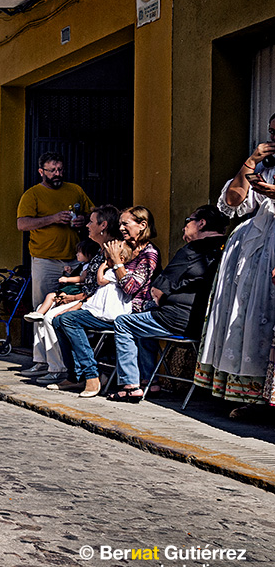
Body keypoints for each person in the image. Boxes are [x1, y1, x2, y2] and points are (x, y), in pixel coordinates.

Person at [194, 114, 275, 417]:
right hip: (252, 249)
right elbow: (232, 202)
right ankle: (248, 396)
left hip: (272, 248)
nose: (273, 139)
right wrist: (251, 162)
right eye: (271, 133)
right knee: (246, 318)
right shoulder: (264, 168)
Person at [106, 205, 226, 402]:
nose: (184, 227)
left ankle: (130, 385)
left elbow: (157, 291)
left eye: (188, 220)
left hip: (178, 319)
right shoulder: (226, 248)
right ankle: (148, 382)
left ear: (201, 223)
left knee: (124, 322)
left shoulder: (191, 250)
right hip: (206, 323)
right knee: (143, 323)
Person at [50, 206, 160, 398]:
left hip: (128, 312)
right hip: (107, 305)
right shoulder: (123, 247)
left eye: (125, 224)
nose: (122, 228)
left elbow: (132, 288)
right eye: (120, 224)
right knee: (58, 320)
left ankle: (91, 376)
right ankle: (76, 376)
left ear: (142, 225)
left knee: (68, 320)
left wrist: (117, 262)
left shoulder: (149, 253)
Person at [31, 205, 119, 385]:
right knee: (54, 318)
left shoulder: (113, 251)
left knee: (59, 318)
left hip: (102, 307)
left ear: (103, 226)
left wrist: (74, 301)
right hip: (90, 302)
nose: (87, 225)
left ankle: (86, 374)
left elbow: (102, 286)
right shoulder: (100, 251)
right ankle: (73, 374)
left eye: (91, 222)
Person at [17, 151, 94, 310]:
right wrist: (53, 218)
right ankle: (40, 337)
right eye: (52, 170)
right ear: (41, 172)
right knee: (41, 307)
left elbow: (92, 213)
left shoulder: (75, 190)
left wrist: (84, 220)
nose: (57, 174)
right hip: (45, 261)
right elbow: (22, 224)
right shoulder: (32, 194)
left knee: (72, 306)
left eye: (60, 170)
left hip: (74, 260)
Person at [24, 239, 98, 322]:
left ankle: (40, 313)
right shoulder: (82, 265)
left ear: (88, 254)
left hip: (76, 290)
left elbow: (82, 278)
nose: (77, 254)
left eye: (79, 252)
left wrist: (67, 279)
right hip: (73, 289)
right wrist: (70, 272)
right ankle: (39, 312)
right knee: (53, 297)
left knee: (52, 296)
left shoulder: (87, 267)